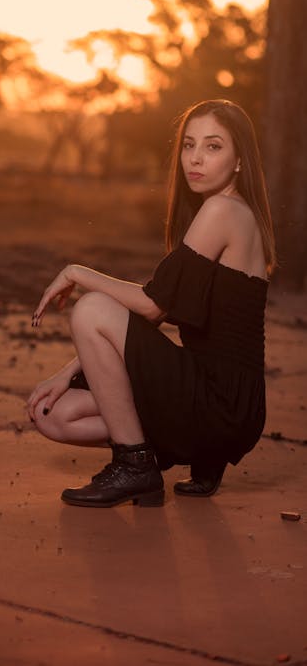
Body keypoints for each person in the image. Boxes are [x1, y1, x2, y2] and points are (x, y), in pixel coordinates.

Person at [26, 99, 275, 508]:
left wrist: (76, 272)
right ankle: (193, 455)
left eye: (213, 147)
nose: (195, 158)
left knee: (90, 308)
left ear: (239, 161)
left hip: (222, 403)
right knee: (55, 414)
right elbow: (158, 315)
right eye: (189, 145)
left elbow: (150, 306)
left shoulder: (223, 210)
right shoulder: (226, 213)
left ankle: (136, 465)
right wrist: (68, 373)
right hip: (214, 395)